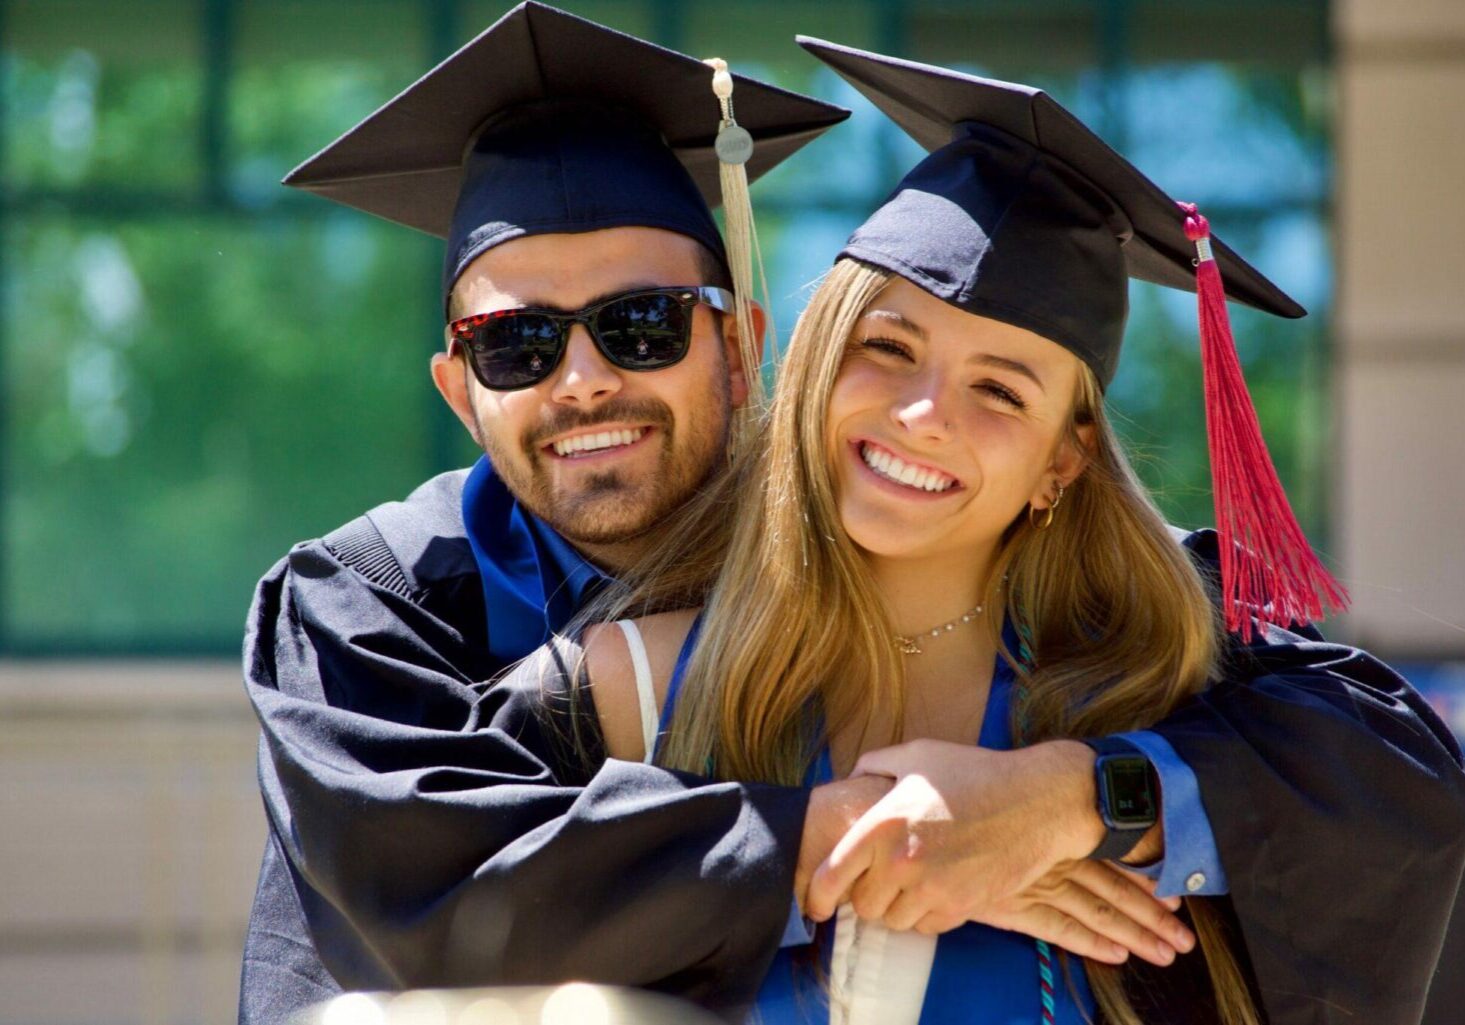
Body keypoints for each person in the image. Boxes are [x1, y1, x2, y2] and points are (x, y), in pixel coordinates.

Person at [490, 39, 1465, 1025]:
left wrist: (1065, 802)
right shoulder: (623, 697)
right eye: (886, 346)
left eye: (999, 389)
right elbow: (441, 902)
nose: (921, 414)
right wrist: (831, 848)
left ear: (1063, 460)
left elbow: (1409, 803)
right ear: (820, 357)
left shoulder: (1165, 691)